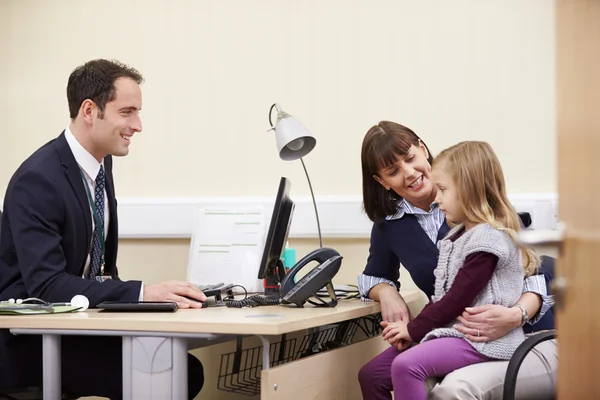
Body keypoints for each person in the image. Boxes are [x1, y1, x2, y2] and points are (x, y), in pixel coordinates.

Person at [0, 59, 206, 399]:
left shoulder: (99, 164)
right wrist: (141, 293)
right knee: (176, 373)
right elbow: (47, 285)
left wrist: (146, 304)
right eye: (127, 112)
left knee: (179, 364)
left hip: (75, 327)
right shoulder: (37, 179)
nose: (137, 125)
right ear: (89, 110)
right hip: (28, 341)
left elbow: (99, 271)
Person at [357, 122, 557, 399]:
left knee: (421, 373)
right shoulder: (390, 225)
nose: (409, 173)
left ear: (423, 149)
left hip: (518, 331)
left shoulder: (479, 211)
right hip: (453, 328)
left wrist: (515, 315)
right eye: (393, 171)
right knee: (373, 375)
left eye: (411, 158)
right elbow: (373, 276)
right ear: (382, 181)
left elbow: (534, 268)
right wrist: (387, 291)